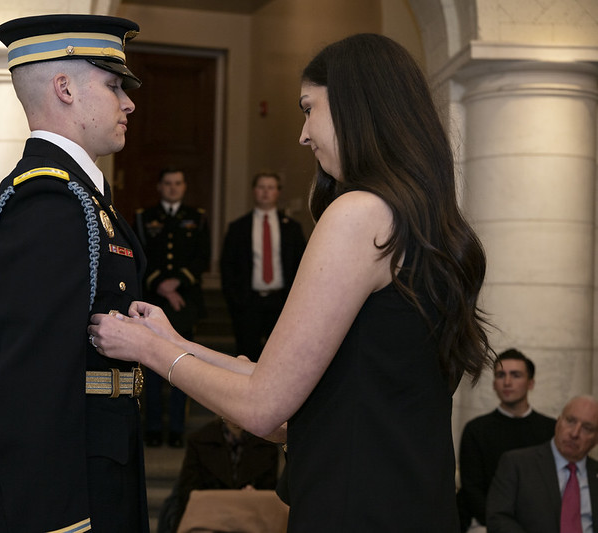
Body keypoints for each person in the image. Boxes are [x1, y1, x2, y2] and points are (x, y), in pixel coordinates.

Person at [90, 33, 492, 532]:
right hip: (412, 503)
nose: (303, 135)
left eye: (308, 109)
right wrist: (176, 342)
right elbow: (292, 380)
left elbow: (264, 409)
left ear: (352, 106)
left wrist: (148, 351)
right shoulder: (423, 220)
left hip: (353, 509)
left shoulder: (359, 213)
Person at [0, 14, 149, 533]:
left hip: (103, 460)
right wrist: (60, 522)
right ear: (64, 88)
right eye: (113, 86)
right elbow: (30, 381)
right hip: (69, 489)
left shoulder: (81, 197)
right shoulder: (49, 202)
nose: (128, 102)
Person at [135, 168, 210, 448]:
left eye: (178, 183)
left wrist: (177, 283)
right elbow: (139, 256)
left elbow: (202, 258)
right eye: (167, 183)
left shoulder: (197, 217)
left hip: (185, 302)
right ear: (159, 186)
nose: (173, 188)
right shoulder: (144, 217)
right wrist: (161, 285)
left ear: (184, 186)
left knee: (183, 365)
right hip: (153, 300)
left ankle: (177, 428)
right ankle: (153, 427)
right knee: (153, 366)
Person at [457, 349, 556, 531]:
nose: (507, 382)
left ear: (530, 383)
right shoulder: (476, 430)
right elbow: (472, 489)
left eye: (516, 375)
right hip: (489, 523)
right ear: (494, 384)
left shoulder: (551, 429)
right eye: (501, 375)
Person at [220, 172, 306, 361]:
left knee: (281, 356)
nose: (266, 192)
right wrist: (235, 300)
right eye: (261, 187)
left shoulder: (292, 228)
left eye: (270, 187)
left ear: (278, 192)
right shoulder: (238, 228)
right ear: (254, 191)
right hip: (248, 303)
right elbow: (227, 266)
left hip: (282, 303)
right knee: (247, 356)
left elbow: (302, 265)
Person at [486, 395, 598, 533]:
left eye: (587, 428)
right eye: (570, 421)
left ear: (596, 439)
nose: (575, 433)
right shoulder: (517, 464)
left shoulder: (594, 472)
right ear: (558, 422)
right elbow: (498, 518)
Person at [157, 416, 280, 533]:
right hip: (209, 519)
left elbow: (270, 493)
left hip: (250, 520)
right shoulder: (199, 440)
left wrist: (254, 496)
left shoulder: (267, 445)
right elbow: (188, 491)